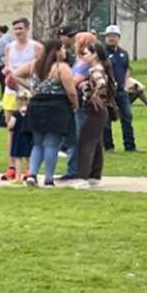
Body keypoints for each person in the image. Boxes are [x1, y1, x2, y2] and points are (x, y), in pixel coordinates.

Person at [58, 33, 112, 186]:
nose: (84, 54)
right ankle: (94, 174)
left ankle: (82, 177)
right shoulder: (92, 68)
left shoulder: (95, 70)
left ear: (94, 54)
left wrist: (95, 95)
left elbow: (101, 83)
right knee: (93, 141)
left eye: (87, 52)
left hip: (93, 110)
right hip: (92, 109)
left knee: (85, 142)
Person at [23, 35, 78, 186]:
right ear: (57, 51)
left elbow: (15, 74)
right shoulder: (61, 67)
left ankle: (32, 174)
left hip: (36, 105)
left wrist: (32, 88)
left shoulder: (35, 65)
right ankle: (48, 178)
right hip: (56, 106)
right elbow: (71, 91)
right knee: (51, 143)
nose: (65, 51)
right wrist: (75, 105)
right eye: (63, 48)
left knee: (38, 142)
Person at [100, 24, 136, 153]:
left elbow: (127, 69)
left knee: (127, 116)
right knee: (106, 118)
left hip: (121, 90)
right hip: (106, 90)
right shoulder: (101, 53)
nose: (111, 38)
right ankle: (108, 145)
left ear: (118, 38)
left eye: (114, 36)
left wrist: (126, 84)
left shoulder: (123, 53)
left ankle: (130, 145)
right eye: (109, 36)